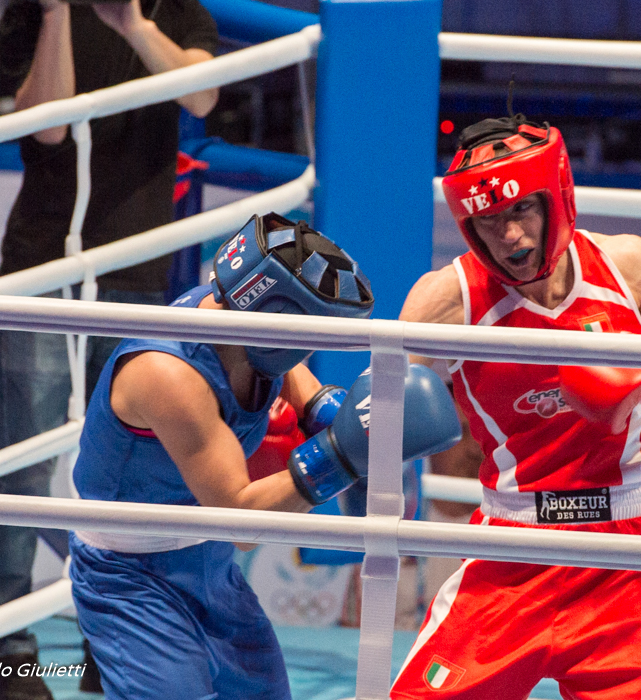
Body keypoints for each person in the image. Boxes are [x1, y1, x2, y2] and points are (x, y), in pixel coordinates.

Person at [391, 115, 641, 699]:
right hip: (510, 553)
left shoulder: (624, 266)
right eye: (487, 220)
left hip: (624, 556)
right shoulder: (446, 300)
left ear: (556, 197)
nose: (508, 237)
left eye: (520, 210)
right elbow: (378, 414)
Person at [68, 213, 460, 699]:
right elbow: (241, 522)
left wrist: (330, 415)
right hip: (132, 578)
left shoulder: (246, 327)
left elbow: (292, 376)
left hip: (208, 560)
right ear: (277, 318)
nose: (316, 348)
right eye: (310, 332)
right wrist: (340, 453)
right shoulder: (168, 376)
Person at [0, 1, 219, 697]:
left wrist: (133, 26)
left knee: (126, 479)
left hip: (135, 275)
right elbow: (48, 127)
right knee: (22, 468)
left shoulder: (177, 9)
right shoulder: (36, 9)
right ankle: (10, 658)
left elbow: (203, 95)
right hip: (43, 269)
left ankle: (108, 639)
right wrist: (58, 15)